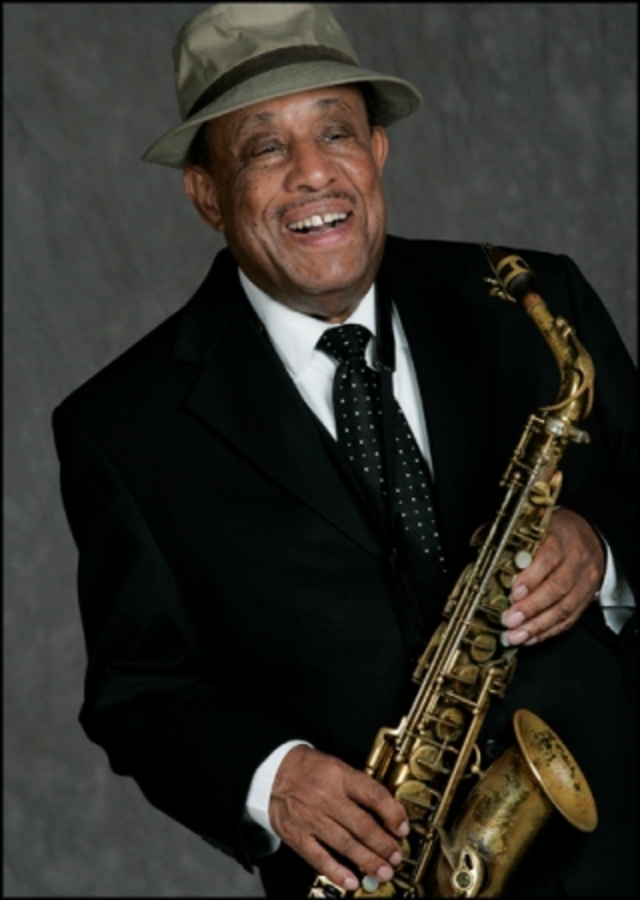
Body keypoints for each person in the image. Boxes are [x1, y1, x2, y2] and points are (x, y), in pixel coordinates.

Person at [53, 4, 637, 897]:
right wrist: (270, 778)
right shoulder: (123, 428)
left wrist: (601, 549)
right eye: (264, 148)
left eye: (336, 132)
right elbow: (140, 692)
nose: (313, 173)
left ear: (378, 150)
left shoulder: (532, 304)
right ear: (206, 194)